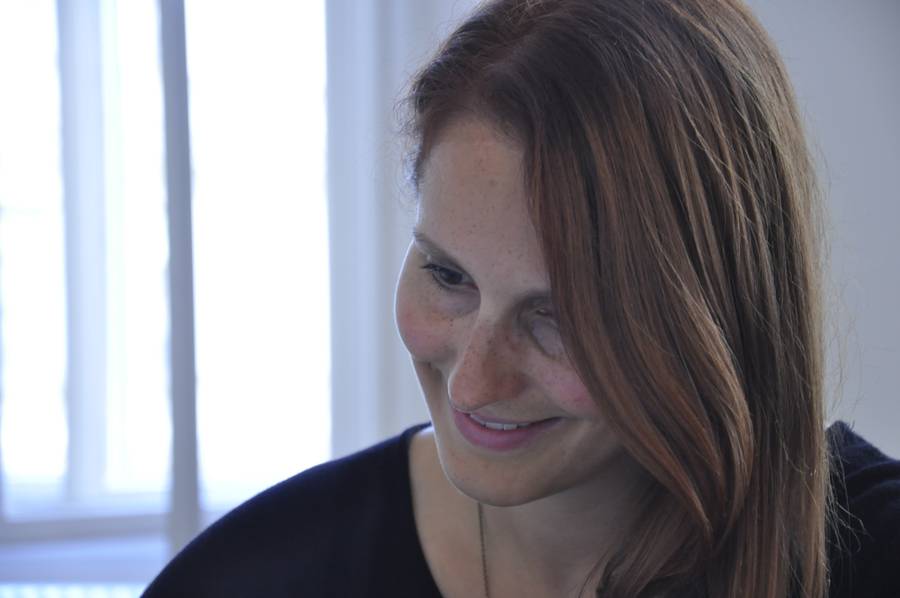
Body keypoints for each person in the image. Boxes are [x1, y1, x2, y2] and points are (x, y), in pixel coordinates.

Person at [143, 0, 900, 596]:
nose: (472, 386)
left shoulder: (874, 556)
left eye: (559, 317)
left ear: (709, 317)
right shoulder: (249, 579)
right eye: (448, 276)